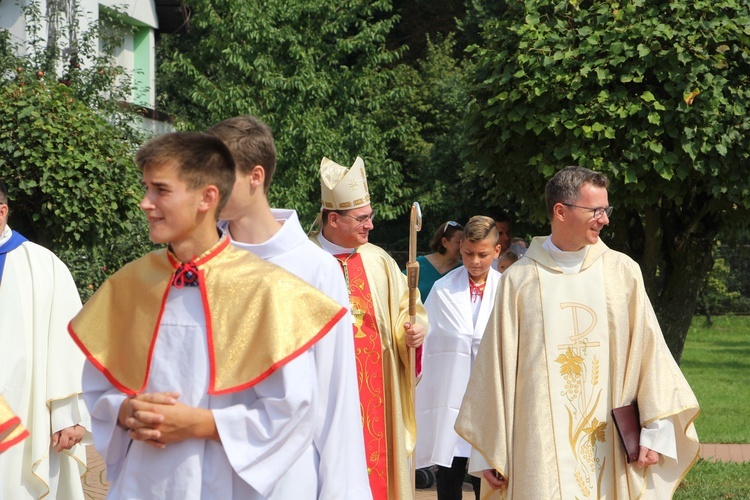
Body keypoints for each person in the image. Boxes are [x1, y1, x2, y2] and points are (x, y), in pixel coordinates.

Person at [69, 132, 348, 499]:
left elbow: (293, 409)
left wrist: (202, 424)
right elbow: (99, 386)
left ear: (207, 197)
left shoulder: (266, 289)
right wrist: (125, 411)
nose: (145, 203)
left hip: (233, 484)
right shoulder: (131, 284)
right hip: (149, 482)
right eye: (147, 188)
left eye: (160, 190)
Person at [455, 166, 700, 499]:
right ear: (560, 211)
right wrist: (488, 451)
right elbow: (494, 369)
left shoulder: (621, 273)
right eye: (596, 211)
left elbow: (649, 355)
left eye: (606, 210)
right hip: (538, 446)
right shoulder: (520, 281)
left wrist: (654, 433)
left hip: (610, 441)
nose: (605, 219)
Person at [206, 115, 371, 499]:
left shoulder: (315, 269)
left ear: (256, 176)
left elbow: (336, 398)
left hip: (288, 480)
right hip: (209, 474)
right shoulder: (199, 264)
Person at [311, 156, 428, 499]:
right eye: (362, 219)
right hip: (325, 390)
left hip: (376, 391)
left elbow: (410, 309)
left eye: (370, 217)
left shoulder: (377, 260)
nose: (370, 226)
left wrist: (415, 330)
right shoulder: (305, 261)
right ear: (333, 218)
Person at [0, 180, 90, 499]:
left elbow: (69, 348)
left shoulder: (44, 267)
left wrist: (67, 417)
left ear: (2, 212)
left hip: (22, 408)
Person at [415, 216, 502, 500]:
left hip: (490, 394)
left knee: (486, 469)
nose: (475, 261)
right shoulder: (443, 290)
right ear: (460, 247)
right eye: (468, 253)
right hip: (451, 392)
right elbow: (428, 337)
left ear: (497, 251)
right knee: (450, 468)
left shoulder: (507, 291)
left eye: (483, 254)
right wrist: (416, 335)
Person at [410, 220, 464, 300]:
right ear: (444, 242)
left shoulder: (463, 270)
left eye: (464, 243)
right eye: (458, 243)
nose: (462, 247)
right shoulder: (419, 264)